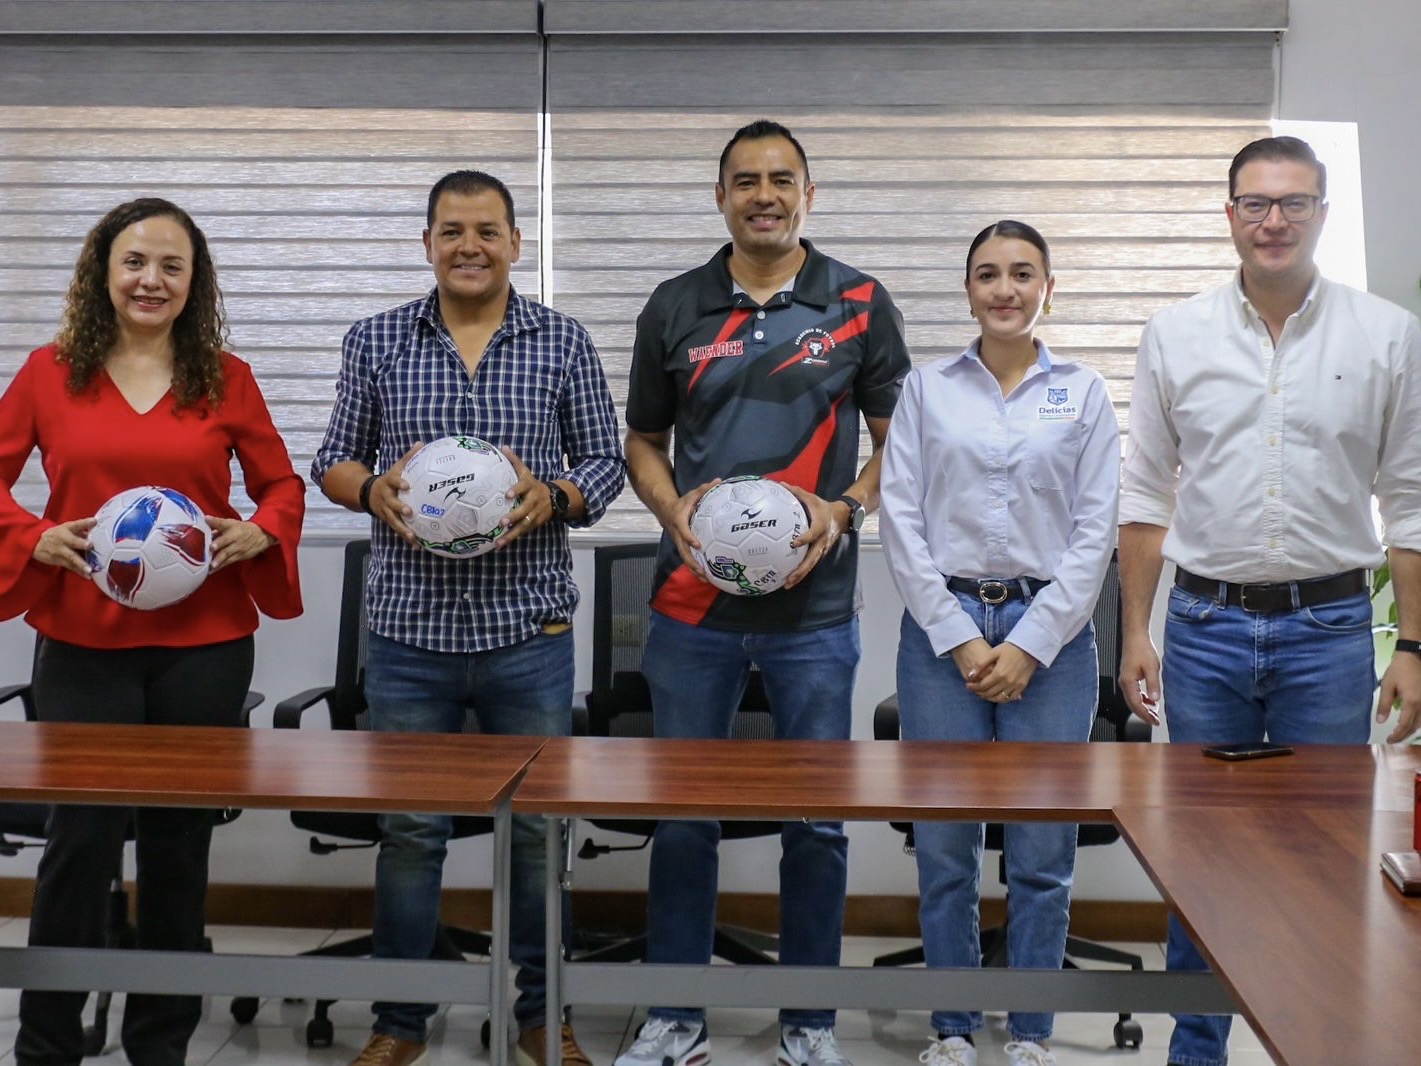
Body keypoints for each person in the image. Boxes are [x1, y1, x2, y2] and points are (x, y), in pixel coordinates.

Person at [1117, 135, 1421, 1066]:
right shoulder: (1175, 334)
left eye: (1293, 202)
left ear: (1322, 212)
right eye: (1255, 203)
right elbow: (1144, 495)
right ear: (1229, 215)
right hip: (1202, 628)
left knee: (1324, 858)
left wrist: (1413, 646)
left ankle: (1322, 1045)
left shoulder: (1386, 334)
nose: (1273, 220)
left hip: (1330, 632)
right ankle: (1195, 1052)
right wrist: (1135, 632)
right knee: (1198, 854)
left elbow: (1409, 499)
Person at [312, 169, 624, 1066]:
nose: (469, 246)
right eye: (451, 231)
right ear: (427, 244)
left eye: (487, 230)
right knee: (412, 833)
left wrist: (555, 495)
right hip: (409, 634)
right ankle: (399, 1022)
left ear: (515, 243)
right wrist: (371, 489)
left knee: (535, 836)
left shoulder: (561, 340)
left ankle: (540, 1015)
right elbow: (332, 458)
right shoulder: (376, 339)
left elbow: (604, 462)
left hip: (529, 631)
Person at [615, 119, 911, 1066]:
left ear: (808, 195)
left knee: (815, 821)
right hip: (690, 611)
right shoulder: (674, 305)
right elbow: (642, 441)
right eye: (745, 180)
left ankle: (809, 1022)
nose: (764, 195)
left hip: (812, 616)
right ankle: (675, 1017)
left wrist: (844, 510)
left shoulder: (858, 302)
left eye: (782, 179)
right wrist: (671, 510)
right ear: (720, 197)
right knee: (683, 816)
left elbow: (899, 442)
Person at [0, 197, 305, 1066]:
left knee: (178, 844)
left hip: (204, 647)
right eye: (135, 261)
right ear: (103, 271)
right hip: (80, 644)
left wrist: (261, 530)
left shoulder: (226, 378)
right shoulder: (48, 374)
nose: (151, 280)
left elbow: (281, 488)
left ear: (193, 282)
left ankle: (160, 1044)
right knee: (79, 842)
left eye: (173, 266)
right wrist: (31, 536)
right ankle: (47, 1044)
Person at [879, 220, 1120, 1066]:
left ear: (1048, 288)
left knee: (1042, 853)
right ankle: (951, 1028)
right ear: (968, 291)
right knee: (944, 848)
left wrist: (1030, 644)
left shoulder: (1083, 393)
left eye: (1022, 273)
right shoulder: (926, 389)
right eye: (987, 274)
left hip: (1050, 640)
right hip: (940, 633)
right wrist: (956, 638)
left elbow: (1094, 532)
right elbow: (899, 519)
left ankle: (1029, 1032)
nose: (1004, 289)